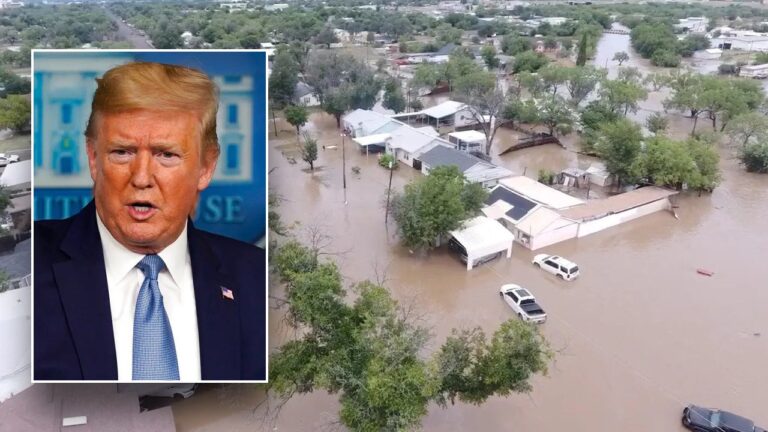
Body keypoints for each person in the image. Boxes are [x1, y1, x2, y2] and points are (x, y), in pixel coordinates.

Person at [34, 61, 266, 381]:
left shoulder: (258, 278)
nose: (142, 178)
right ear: (93, 158)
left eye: (166, 154)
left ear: (205, 167)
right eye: (122, 152)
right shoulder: (32, 267)